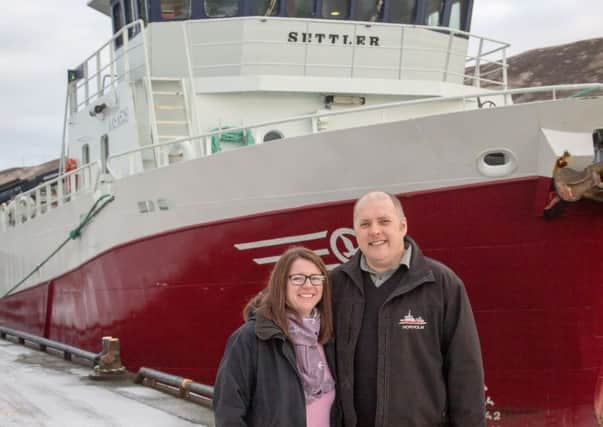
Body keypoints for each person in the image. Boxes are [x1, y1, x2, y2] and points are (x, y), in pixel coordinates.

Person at [331, 191, 485, 427]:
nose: (374, 231)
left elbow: (466, 373)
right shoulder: (336, 285)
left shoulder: (441, 284)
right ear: (355, 232)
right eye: (365, 224)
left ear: (402, 226)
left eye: (384, 221)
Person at [214, 246, 339, 427]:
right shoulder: (250, 339)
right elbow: (228, 413)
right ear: (281, 283)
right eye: (297, 278)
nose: (308, 285)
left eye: (316, 278)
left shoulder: (327, 336)